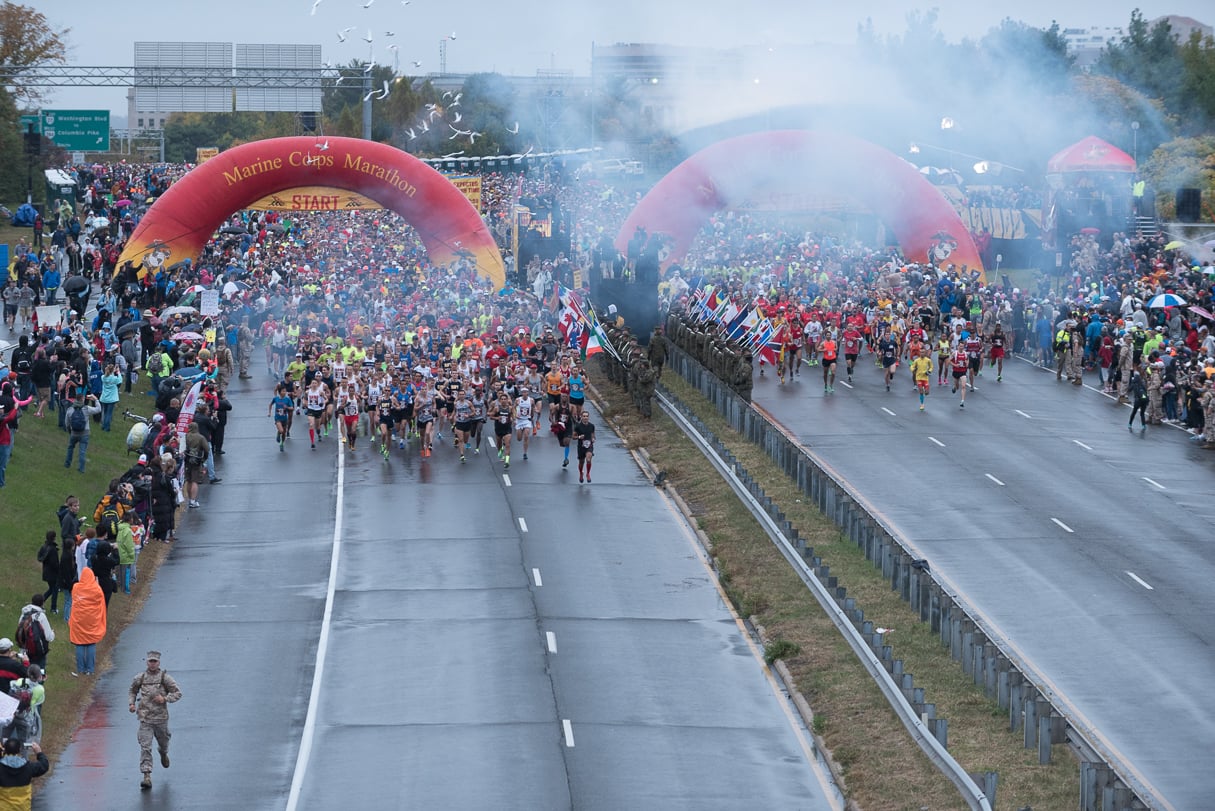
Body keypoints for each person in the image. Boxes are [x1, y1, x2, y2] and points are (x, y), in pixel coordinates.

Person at [129, 650, 182, 790]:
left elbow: (177, 693)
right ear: (147, 662)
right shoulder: (140, 678)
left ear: (158, 663)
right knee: (145, 746)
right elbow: (132, 690)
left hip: (160, 718)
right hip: (145, 718)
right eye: (150, 661)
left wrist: (165, 699)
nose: (152, 664)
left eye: (155, 661)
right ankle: (146, 776)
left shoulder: (165, 678)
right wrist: (132, 704)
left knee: (163, 742)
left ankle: (163, 753)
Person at [68, 567, 106, 677]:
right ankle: (90, 669)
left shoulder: (76, 587)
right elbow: (102, 603)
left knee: (79, 643)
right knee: (91, 642)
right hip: (92, 620)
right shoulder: (97, 589)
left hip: (79, 620)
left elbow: (74, 600)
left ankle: (80, 669)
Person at [0, 737, 49, 809]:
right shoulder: (28, 767)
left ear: (5, 750)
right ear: (19, 750)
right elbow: (44, 765)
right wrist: (39, 752)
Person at [63, 393, 102, 473]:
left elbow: (66, 423)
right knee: (82, 451)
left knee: (70, 448)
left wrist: (69, 431)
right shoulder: (86, 409)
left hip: (74, 433)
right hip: (85, 433)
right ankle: (81, 469)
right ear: (82, 399)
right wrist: (96, 400)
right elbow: (98, 409)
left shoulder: (70, 409)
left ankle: (67, 463)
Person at [15, 596, 54, 672]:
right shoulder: (41, 616)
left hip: (24, 648)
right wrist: (52, 633)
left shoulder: (24, 613)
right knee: (38, 674)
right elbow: (49, 637)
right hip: (38, 650)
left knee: (24, 671)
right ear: (42, 603)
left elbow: (20, 628)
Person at [183, 421, 209, 508]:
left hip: (187, 460)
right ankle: (193, 501)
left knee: (189, 480)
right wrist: (204, 458)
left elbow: (182, 448)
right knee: (195, 480)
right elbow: (207, 449)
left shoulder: (185, 436)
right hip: (197, 461)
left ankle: (190, 499)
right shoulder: (201, 438)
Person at [37, 532, 60, 613]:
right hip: (53, 573)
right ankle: (53, 608)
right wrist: (59, 571)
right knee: (55, 590)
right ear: (54, 537)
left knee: (52, 589)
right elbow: (55, 563)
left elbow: (39, 557)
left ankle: (40, 602)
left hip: (46, 571)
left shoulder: (44, 547)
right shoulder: (53, 549)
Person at [573, 410, 596, 483]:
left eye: (587, 416)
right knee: (581, 462)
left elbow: (593, 435)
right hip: (581, 446)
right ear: (581, 417)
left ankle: (588, 474)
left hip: (589, 445)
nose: (585, 417)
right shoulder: (578, 426)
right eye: (584, 416)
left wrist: (593, 439)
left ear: (588, 417)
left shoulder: (591, 426)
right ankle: (581, 473)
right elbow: (573, 437)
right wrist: (579, 437)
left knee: (588, 459)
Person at [910, 345, 934, 411]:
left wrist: (929, 371)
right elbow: (912, 367)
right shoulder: (916, 360)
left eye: (923, 352)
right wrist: (913, 370)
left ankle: (925, 390)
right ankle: (922, 404)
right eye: (921, 352)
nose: (922, 353)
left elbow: (931, 367)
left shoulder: (928, 360)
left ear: (925, 353)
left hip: (925, 378)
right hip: (919, 378)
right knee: (920, 391)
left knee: (926, 393)